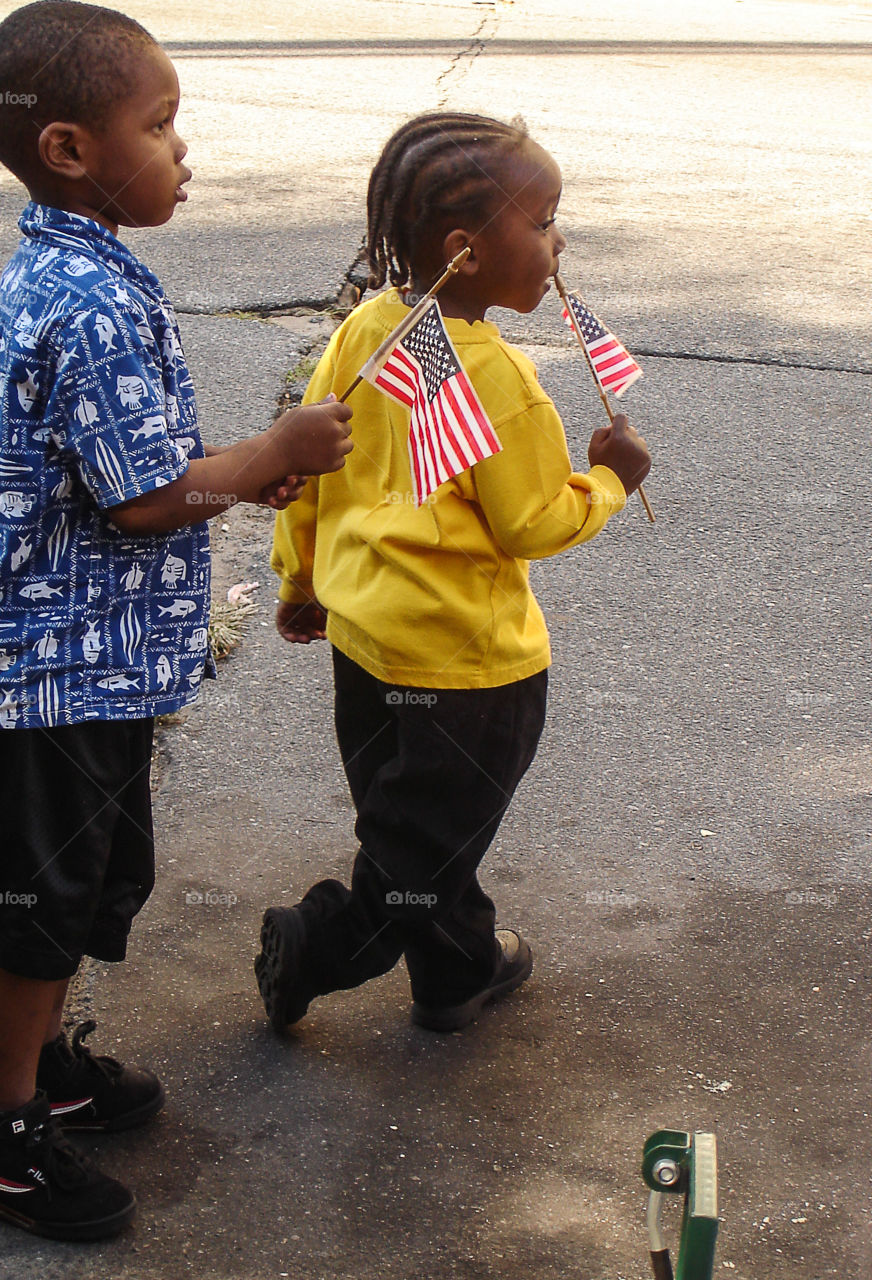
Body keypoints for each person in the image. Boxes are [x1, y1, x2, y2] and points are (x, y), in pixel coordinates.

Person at [0, 0, 352, 1242]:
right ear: (68, 149)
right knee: (35, 911)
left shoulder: (76, 269)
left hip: (78, 667)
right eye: (158, 125)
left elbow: (130, 469)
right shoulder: (88, 302)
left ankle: (43, 1067)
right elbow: (145, 496)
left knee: (81, 886)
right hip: (45, 678)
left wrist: (236, 474)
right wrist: (266, 450)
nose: (181, 147)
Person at [255, 111, 650, 1037]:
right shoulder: (499, 381)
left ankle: (456, 972)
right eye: (543, 222)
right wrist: (610, 482)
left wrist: (300, 581)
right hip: (468, 672)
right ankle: (319, 945)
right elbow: (531, 521)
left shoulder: (369, 329)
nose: (559, 243)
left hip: (364, 643)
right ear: (465, 251)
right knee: (415, 852)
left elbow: (312, 472)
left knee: (416, 827)